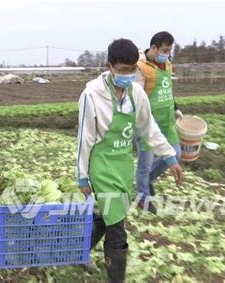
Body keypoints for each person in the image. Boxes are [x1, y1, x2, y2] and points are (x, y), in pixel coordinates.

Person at [76, 38, 183, 282]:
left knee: (106, 216)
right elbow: (84, 139)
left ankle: (78, 251)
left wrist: (170, 157)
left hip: (123, 166)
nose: (128, 75)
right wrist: (82, 176)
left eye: (132, 69)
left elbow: (149, 129)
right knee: (117, 230)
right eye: (123, 70)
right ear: (109, 66)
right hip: (101, 166)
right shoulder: (92, 95)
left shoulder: (136, 93)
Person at [135, 31, 183, 214]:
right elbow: (136, 97)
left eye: (170, 50)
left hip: (167, 120)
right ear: (154, 48)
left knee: (175, 153)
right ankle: (143, 199)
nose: (167, 54)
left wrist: (175, 107)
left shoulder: (167, 64)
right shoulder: (141, 68)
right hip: (148, 122)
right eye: (164, 50)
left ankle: (146, 181)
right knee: (145, 163)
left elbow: (167, 89)